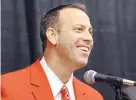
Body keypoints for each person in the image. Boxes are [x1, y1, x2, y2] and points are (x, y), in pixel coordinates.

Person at [1, 3, 103, 100]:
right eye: (79, 29)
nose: (89, 38)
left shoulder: (93, 97)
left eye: (90, 32)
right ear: (52, 36)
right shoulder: (7, 87)